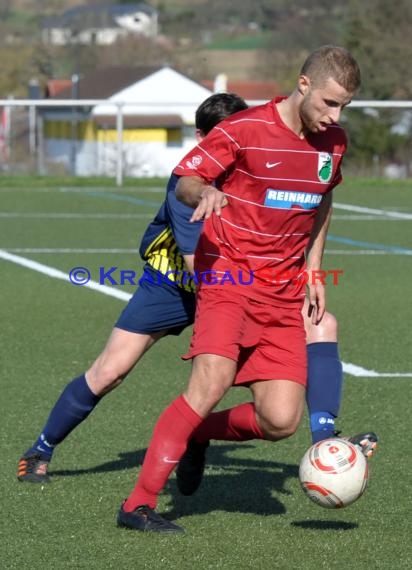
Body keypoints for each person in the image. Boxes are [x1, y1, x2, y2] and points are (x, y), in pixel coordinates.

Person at [17, 92, 374, 486]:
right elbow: (202, 270)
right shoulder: (186, 188)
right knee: (111, 370)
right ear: (201, 136)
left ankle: (325, 441)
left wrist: (305, 272)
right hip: (174, 285)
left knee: (321, 323)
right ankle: (41, 449)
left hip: (244, 286)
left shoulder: (257, 164)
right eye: (220, 136)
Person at [116, 45, 377, 535]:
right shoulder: (243, 129)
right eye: (329, 102)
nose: (335, 115)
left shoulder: (333, 142)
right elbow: (187, 181)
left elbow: (321, 202)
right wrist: (206, 191)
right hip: (228, 279)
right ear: (303, 85)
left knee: (280, 421)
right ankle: (138, 505)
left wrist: (314, 269)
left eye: (344, 106)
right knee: (210, 385)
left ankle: (196, 437)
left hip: (282, 294)